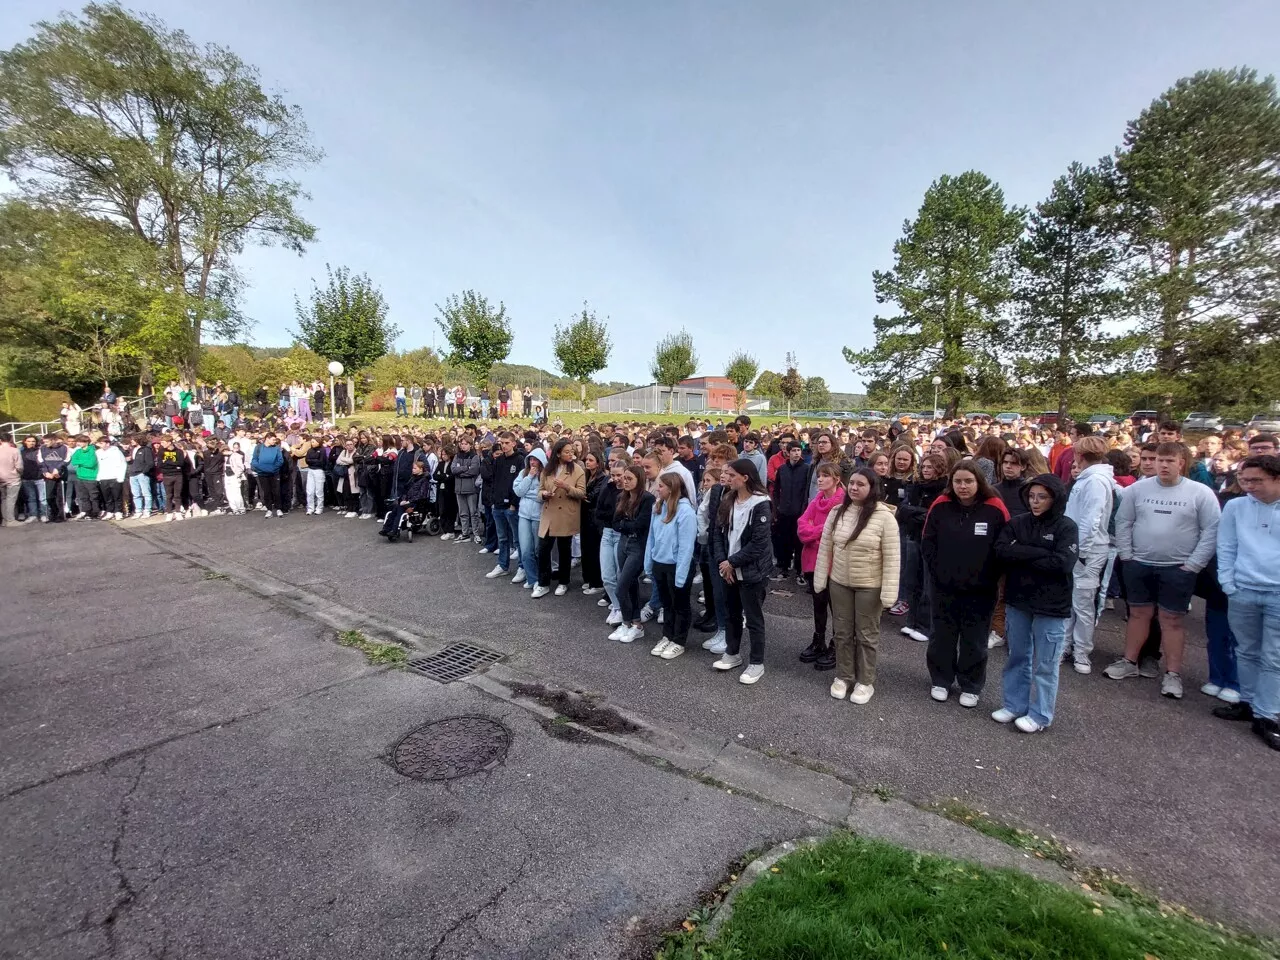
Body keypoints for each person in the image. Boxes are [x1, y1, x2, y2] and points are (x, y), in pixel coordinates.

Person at [1105, 443, 1221, 699]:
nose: (1163, 465)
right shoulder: (1137, 489)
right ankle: (1129, 662)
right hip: (1139, 564)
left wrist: (1193, 565)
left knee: (1172, 620)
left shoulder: (1200, 493)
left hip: (1178, 568)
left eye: (1170, 460)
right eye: (1159, 460)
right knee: (1138, 614)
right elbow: (1123, 522)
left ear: (1182, 462)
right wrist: (1127, 556)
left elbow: (1210, 532)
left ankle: (1173, 674)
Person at [992, 474, 1078, 733]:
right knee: (1017, 655)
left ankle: (1041, 714)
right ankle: (1014, 704)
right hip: (1019, 599)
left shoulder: (1066, 527)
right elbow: (1001, 551)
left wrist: (1023, 553)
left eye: (1042, 497)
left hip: (1052, 605)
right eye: (1031, 496)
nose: (1035, 502)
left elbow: (1063, 563)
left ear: (1054, 498)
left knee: (1046, 663)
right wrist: (1040, 552)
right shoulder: (1018, 523)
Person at [921, 460, 1010, 706]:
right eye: (958, 481)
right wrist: (938, 572)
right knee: (942, 636)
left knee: (975, 640)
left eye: (968, 481)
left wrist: (990, 577)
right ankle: (941, 679)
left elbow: (1003, 548)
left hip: (980, 590)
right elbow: (927, 541)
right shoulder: (941, 505)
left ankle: (971, 685)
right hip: (944, 587)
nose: (963, 486)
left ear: (979, 482)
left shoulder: (994, 507)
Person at [813, 467, 900, 704]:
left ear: (872, 488)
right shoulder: (837, 513)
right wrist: (820, 579)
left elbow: (892, 557)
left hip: (869, 586)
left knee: (866, 635)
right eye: (852, 483)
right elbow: (825, 549)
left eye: (861, 484)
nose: (854, 488)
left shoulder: (884, 517)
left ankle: (865, 681)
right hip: (839, 582)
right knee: (841, 633)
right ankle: (843, 676)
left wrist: (889, 593)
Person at [1212, 455, 1280, 751]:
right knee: (1246, 650)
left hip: (1277, 591)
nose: (1249, 486)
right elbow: (1226, 545)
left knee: (1274, 655)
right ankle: (1249, 702)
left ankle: (1267, 714)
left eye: (1257, 481)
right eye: (1246, 480)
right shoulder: (1237, 507)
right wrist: (1228, 583)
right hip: (1243, 589)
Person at [710, 459, 774, 684]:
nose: (727, 478)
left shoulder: (761, 504)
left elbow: (758, 543)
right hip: (728, 568)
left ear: (745, 477)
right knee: (732, 613)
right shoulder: (728, 499)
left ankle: (756, 663)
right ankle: (732, 652)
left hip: (751, 571)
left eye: (732, 474)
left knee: (754, 618)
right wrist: (722, 562)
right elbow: (718, 533)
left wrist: (733, 562)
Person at [1061, 436, 1115, 674]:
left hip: (1087, 550)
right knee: (1071, 599)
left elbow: (1090, 520)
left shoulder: (1094, 481)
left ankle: (1082, 650)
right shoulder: (1090, 479)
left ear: (1080, 456)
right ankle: (1065, 644)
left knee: (1082, 601)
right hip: (1078, 547)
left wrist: (1080, 550)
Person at [795, 462, 845, 669]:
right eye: (819, 476)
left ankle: (837, 644)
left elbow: (837, 533)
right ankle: (819, 640)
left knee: (837, 608)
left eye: (825, 476)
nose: (820, 479)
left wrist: (815, 531)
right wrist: (819, 533)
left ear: (836, 479)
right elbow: (801, 528)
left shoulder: (843, 502)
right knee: (818, 604)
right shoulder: (816, 501)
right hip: (813, 560)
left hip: (834, 562)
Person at [644, 473, 698, 659]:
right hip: (660, 563)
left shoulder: (686, 512)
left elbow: (686, 546)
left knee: (680, 604)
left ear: (672, 488)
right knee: (667, 604)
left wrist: (681, 575)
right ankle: (667, 635)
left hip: (677, 565)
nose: (657, 489)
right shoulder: (658, 507)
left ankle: (679, 640)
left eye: (661, 486)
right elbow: (651, 537)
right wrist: (649, 562)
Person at [897, 453, 948, 643]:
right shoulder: (915, 486)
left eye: (930, 467)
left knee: (927, 584)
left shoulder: (944, 489)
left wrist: (914, 512)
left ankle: (925, 626)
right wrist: (916, 513)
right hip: (913, 536)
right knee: (912, 580)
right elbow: (903, 510)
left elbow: (934, 515)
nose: (926, 470)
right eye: (924, 467)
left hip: (931, 541)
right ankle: (912, 621)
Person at [533, 439, 586, 598]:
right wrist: (544, 494)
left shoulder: (577, 470)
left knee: (564, 550)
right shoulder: (547, 470)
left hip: (566, 514)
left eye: (572, 451)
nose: (571, 454)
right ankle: (543, 583)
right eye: (567, 452)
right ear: (558, 453)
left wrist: (566, 487)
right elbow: (539, 490)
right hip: (549, 512)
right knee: (543, 549)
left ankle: (564, 581)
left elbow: (582, 493)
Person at [610, 465, 654, 642]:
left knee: (622, 586)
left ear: (639, 480)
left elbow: (640, 525)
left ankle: (632, 622)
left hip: (638, 545)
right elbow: (614, 522)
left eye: (629, 479)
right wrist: (625, 526)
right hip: (623, 543)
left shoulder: (647, 499)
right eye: (624, 478)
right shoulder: (622, 497)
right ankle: (631, 623)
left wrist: (625, 525)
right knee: (629, 585)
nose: (625, 482)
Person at [771, 442, 809, 585]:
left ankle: (800, 570)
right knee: (784, 541)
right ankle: (784, 567)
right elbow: (776, 490)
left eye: (799, 450)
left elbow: (806, 491)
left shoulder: (806, 469)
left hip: (800, 512)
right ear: (788, 452)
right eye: (793, 450)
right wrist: (776, 508)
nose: (797, 453)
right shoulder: (782, 469)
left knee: (799, 542)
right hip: (784, 511)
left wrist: (804, 509)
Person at [379, 459, 430, 542]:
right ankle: (387, 529)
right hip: (407, 501)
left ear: (421, 469)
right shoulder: (412, 479)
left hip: (417, 503)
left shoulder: (424, 481)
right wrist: (403, 499)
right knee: (395, 508)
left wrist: (409, 501)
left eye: (415, 468)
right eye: (413, 468)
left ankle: (394, 530)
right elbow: (405, 491)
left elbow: (422, 495)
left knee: (399, 509)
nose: (413, 470)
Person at [579, 450, 608, 596]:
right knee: (585, 548)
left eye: (591, 460)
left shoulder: (602, 477)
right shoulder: (586, 475)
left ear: (598, 462)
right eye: (586, 460)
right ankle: (588, 578)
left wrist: (578, 494)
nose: (587, 462)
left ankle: (597, 582)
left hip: (594, 518)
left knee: (593, 549)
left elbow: (591, 497)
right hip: (584, 516)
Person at [450, 435, 483, 543]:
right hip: (459, 488)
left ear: (470, 445)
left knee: (473, 512)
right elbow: (453, 469)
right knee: (463, 512)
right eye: (462, 444)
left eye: (465, 444)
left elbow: (474, 471)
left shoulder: (474, 456)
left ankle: (476, 533)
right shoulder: (457, 456)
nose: (463, 446)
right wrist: (465, 468)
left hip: (471, 488)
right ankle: (465, 533)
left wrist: (460, 472)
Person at [250, 433, 285, 519]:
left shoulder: (276, 448)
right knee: (266, 492)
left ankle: (278, 508)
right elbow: (254, 460)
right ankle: (269, 509)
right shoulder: (258, 447)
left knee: (276, 491)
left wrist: (273, 469)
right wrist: (261, 468)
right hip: (262, 474)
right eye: (273, 439)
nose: (274, 441)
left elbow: (280, 461)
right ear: (267, 439)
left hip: (274, 473)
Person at [68, 435, 101, 520]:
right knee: (83, 496)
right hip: (80, 477)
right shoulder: (78, 451)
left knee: (93, 496)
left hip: (91, 477)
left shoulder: (93, 450)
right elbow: (74, 461)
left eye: (80, 442)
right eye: (78, 442)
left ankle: (95, 512)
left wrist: (81, 462)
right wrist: (85, 462)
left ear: (86, 442)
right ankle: (87, 512)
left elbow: (91, 464)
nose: (78, 443)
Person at [95, 436, 127, 520]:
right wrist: (98, 477)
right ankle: (110, 511)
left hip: (115, 477)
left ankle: (118, 512)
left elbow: (122, 464)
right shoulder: (98, 452)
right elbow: (98, 465)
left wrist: (120, 477)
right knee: (107, 497)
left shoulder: (116, 451)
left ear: (107, 443)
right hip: (103, 477)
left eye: (101, 443)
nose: (100, 445)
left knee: (117, 496)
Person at [0, 437, 21, 525]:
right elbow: (19, 466)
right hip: (13, 478)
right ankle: (10, 520)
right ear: (11, 440)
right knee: (11, 499)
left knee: (4, 499)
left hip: (1, 478)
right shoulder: (15, 450)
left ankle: (5, 520)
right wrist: (19, 473)